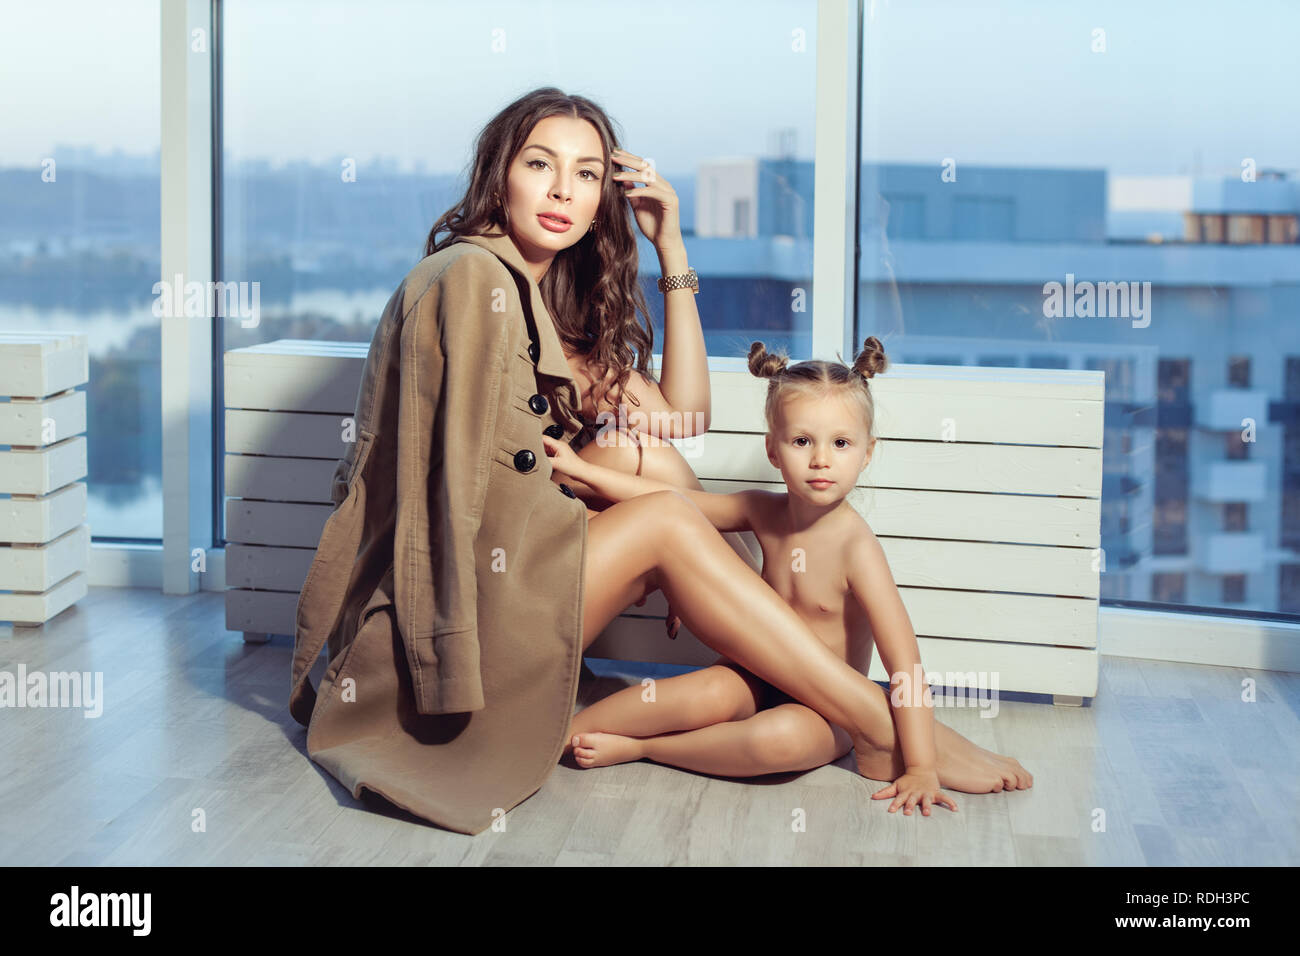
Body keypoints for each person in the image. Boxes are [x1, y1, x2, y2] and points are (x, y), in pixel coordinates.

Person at [425, 87, 1029, 819]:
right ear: (500, 172)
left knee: (646, 459)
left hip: (547, 575)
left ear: (601, 201)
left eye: (586, 174)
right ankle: (876, 723)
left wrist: (670, 248)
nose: (562, 189)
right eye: (540, 164)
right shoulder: (476, 283)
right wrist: (670, 547)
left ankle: (793, 682)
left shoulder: (555, 314)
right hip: (492, 597)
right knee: (666, 505)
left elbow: (684, 421)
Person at [545, 338, 1033, 813]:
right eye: (802, 441)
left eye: (841, 443)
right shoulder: (762, 511)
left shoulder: (856, 547)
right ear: (774, 450)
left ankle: (648, 749)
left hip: (826, 709)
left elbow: (905, 663)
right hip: (753, 677)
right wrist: (584, 471)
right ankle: (556, 737)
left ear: (867, 453)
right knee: (696, 693)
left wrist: (922, 766)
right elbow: (671, 505)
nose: (821, 459)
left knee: (778, 741)